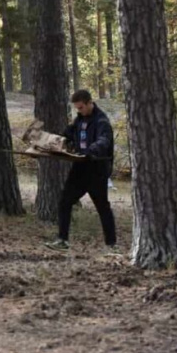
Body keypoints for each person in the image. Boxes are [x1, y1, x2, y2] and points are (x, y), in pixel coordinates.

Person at [45, 90, 116, 251]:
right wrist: (52, 143)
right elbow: (68, 134)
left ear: (90, 102)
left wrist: (90, 150)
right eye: (77, 108)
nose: (80, 110)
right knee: (65, 201)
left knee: (102, 207)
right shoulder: (80, 120)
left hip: (96, 170)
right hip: (79, 169)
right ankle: (62, 240)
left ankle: (112, 244)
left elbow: (104, 142)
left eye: (82, 107)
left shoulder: (101, 121)